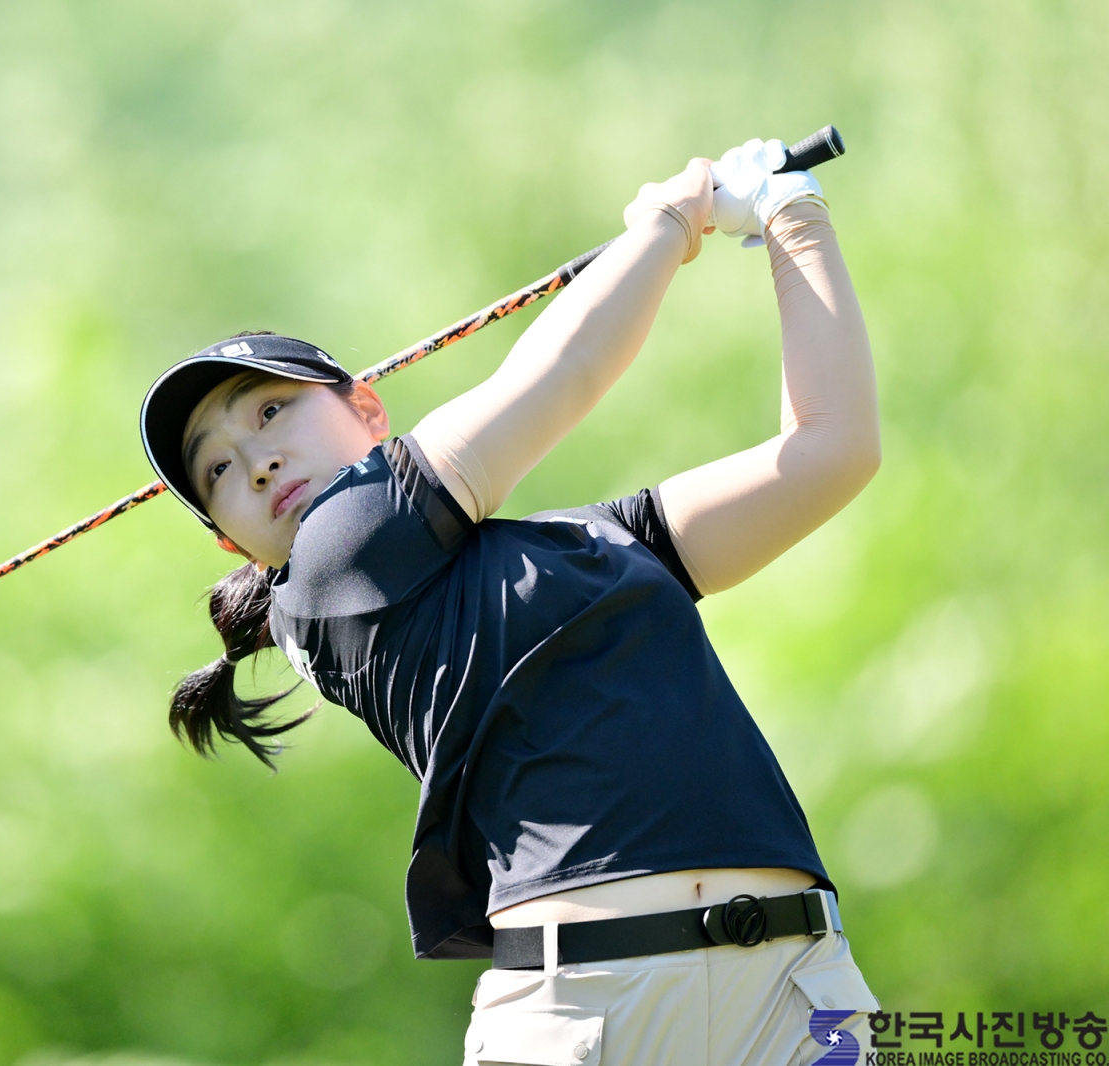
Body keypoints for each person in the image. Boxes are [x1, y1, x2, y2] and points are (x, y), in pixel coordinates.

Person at [139, 139, 881, 1065]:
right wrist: (669, 220)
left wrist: (792, 218)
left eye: (269, 411)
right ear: (232, 543)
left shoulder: (595, 543)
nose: (256, 462)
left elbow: (830, 452)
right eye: (217, 470)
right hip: (586, 1007)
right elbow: (562, 375)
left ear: (367, 409)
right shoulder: (333, 561)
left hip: (790, 988)